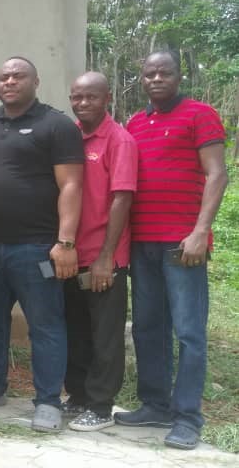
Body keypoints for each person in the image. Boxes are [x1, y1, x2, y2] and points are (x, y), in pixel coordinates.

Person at [0, 56, 84, 432]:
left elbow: (72, 185)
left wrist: (66, 242)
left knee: (45, 325)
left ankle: (48, 401)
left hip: (37, 248)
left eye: (18, 76)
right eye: (4, 76)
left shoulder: (56, 125)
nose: (10, 81)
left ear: (36, 81)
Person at [116, 50, 228, 450]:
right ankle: (155, 404)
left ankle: (187, 418)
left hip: (183, 244)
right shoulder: (135, 122)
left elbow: (217, 173)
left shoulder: (200, 114)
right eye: (149, 74)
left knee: (189, 332)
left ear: (179, 77)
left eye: (165, 72)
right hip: (143, 242)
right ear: (142, 80)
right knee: (148, 327)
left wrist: (201, 232)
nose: (157, 78)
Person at [62, 71, 137, 432]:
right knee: (76, 330)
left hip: (104, 256)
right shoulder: (70, 137)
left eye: (90, 97)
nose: (82, 103)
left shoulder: (118, 140)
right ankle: (77, 397)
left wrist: (107, 256)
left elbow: (121, 198)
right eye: (76, 97)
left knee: (104, 335)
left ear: (106, 97)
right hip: (71, 254)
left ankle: (101, 406)